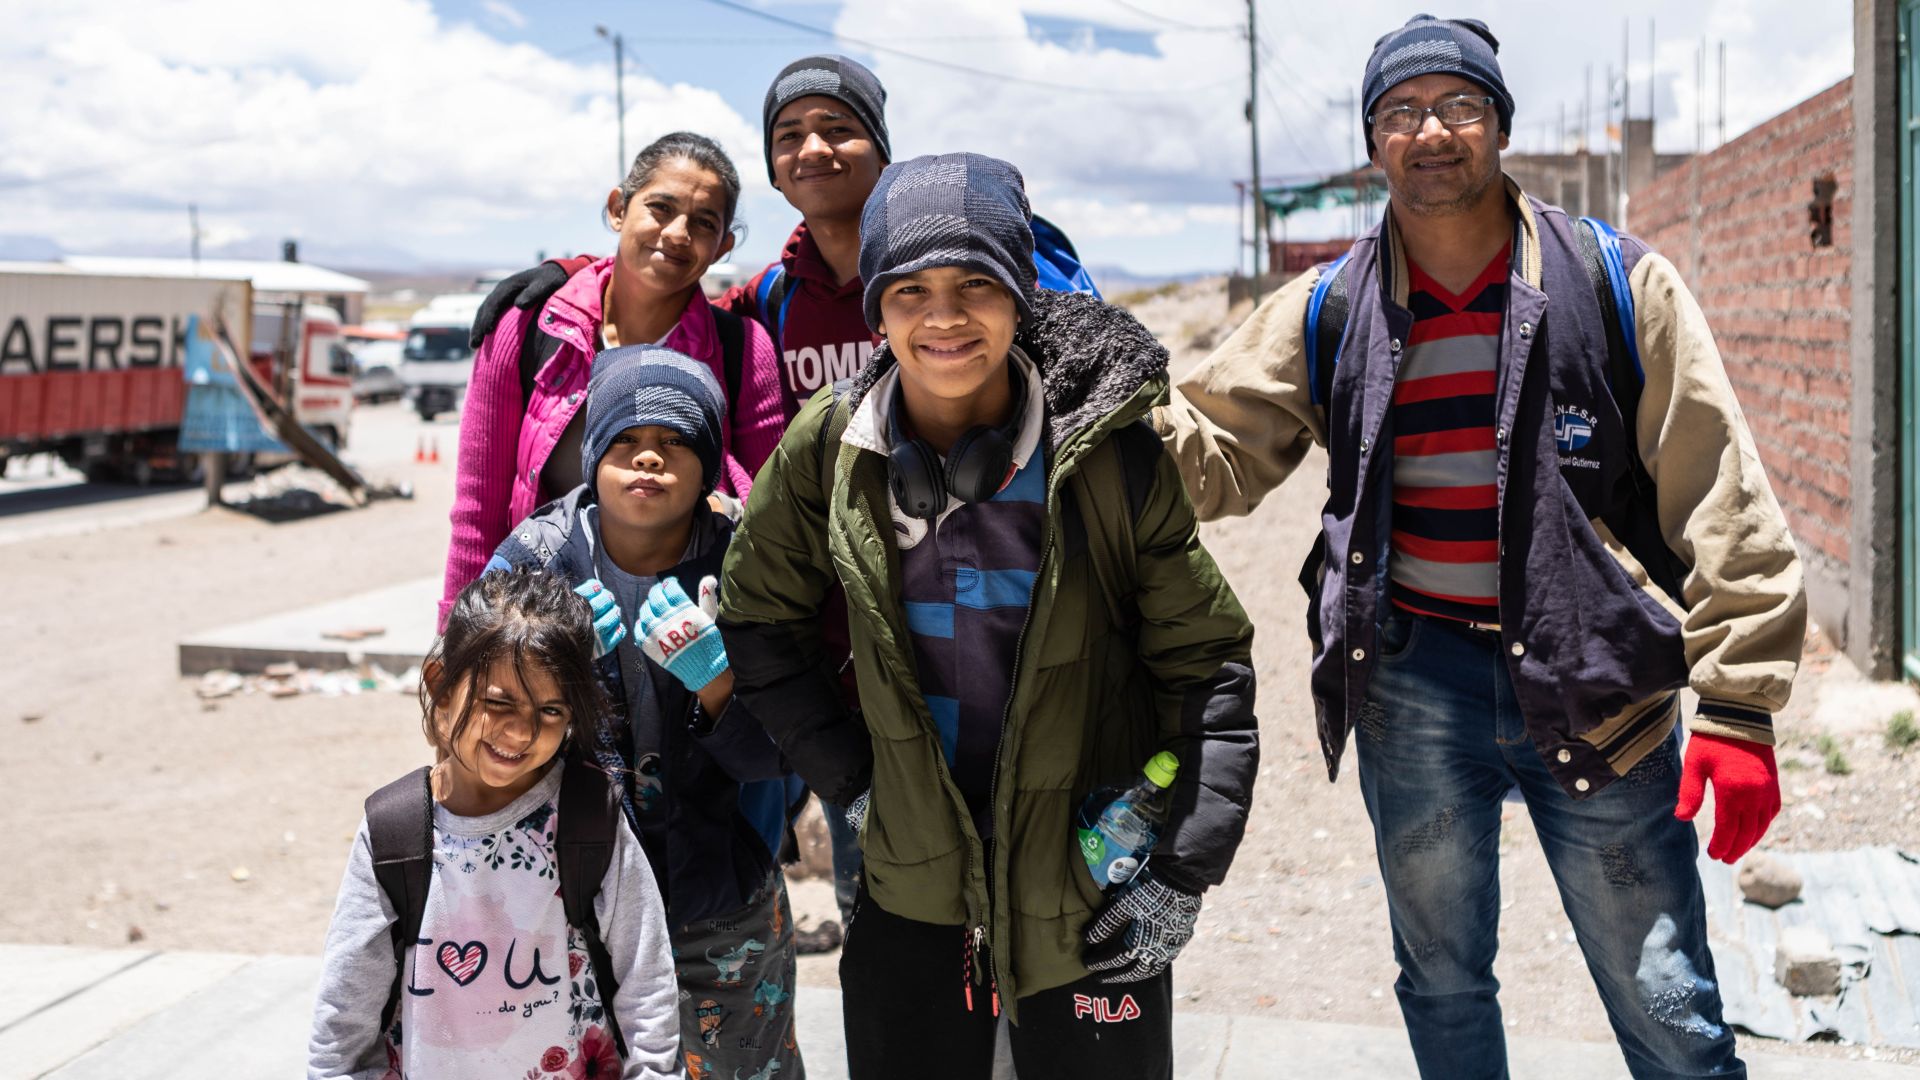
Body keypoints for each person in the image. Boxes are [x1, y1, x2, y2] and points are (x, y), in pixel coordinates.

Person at [1156, 16, 1807, 1078]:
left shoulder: (1617, 282)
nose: (1432, 131)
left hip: (1601, 684)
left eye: (1459, 105)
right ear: (1376, 144)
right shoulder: (1330, 306)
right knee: (1443, 979)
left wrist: (1741, 704)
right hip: (1414, 687)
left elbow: (1721, 490)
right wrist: (1087, 391)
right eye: (1402, 112)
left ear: (1499, 124)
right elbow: (1214, 454)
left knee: (1667, 999)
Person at [716, 152, 1259, 1080]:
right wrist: (849, 779)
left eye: (976, 285)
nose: (944, 318)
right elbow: (758, 617)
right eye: (911, 290)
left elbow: (1207, 662)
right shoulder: (829, 450)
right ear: (876, 308)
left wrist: (1180, 870)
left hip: (1088, 884)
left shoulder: (1110, 457)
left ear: (1020, 295)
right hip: (912, 880)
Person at [485, 344, 804, 1080]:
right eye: (626, 441)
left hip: (723, 896)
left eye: (674, 443)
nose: (649, 460)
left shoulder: (751, 565)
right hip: (566, 899)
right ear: (594, 453)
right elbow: (475, 732)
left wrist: (720, 684)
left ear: (709, 461)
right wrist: (548, 670)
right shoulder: (536, 560)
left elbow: (780, 757)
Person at [308, 567, 680, 1079]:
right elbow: (343, 1012)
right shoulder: (394, 830)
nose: (521, 731)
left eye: (550, 711)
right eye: (498, 702)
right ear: (441, 688)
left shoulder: (588, 818)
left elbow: (648, 980)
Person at [441, 132, 786, 625]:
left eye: (703, 222)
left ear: (723, 246)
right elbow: (477, 512)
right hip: (539, 629)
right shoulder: (530, 328)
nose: (677, 233)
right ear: (618, 209)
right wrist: (456, 645)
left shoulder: (742, 350)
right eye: (660, 208)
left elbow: (769, 515)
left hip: (682, 634)